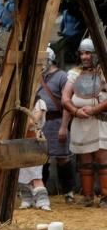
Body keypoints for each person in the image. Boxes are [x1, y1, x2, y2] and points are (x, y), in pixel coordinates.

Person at [62, 38, 107, 207]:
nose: (84, 57)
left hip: (100, 121)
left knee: (103, 160)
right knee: (85, 161)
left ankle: (105, 197)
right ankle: (87, 196)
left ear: (96, 54)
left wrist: (95, 110)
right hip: (80, 122)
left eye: (88, 53)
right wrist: (75, 111)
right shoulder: (75, 73)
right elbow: (66, 98)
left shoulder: (104, 72)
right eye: (82, 53)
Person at [37, 47, 74, 201]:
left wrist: (64, 127)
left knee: (62, 158)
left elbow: (67, 103)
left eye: (42, 61)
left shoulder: (62, 76)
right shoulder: (37, 77)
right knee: (41, 158)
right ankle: (42, 192)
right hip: (40, 122)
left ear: (49, 59)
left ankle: (68, 192)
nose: (40, 64)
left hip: (57, 121)